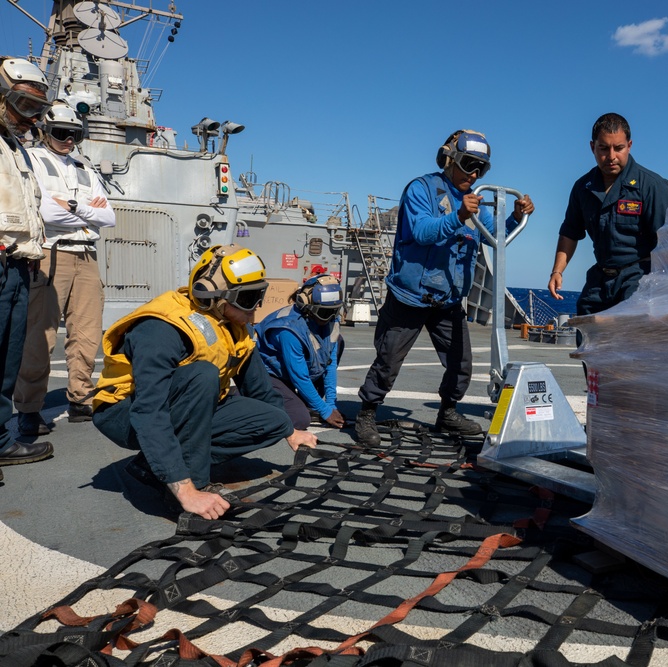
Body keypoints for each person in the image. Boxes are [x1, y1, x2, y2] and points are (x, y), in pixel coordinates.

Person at [91, 244, 318, 519]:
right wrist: (187, 490)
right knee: (202, 375)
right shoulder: (161, 328)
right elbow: (149, 412)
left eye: (259, 295)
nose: (256, 307)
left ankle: (150, 467)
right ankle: (186, 487)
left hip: (179, 404)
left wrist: (290, 431)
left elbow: (258, 388)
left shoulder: (235, 326)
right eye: (248, 299)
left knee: (274, 421)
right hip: (124, 412)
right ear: (212, 295)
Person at [355, 129, 534, 447]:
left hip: (448, 300)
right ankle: (367, 412)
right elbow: (423, 231)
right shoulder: (422, 189)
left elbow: (497, 238)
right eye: (468, 163)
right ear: (449, 159)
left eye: (482, 168)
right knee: (388, 360)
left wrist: (517, 217)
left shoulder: (476, 202)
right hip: (409, 297)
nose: (475, 173)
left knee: (461, 364)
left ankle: (448, 412)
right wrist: (459, 215)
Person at [15, 101, 116, 436]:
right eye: (61, 133)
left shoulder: (85, 168)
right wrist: (87, 210)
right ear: (45, 129)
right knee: (40, 336)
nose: (69, 140)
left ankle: (81, 397)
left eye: (75, 134)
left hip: (86, 256)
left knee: (87, 334)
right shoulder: (32, 159)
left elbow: (109, 217)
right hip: (50, 253)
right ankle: (29, 408)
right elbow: (43, 212)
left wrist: (70, 205)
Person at [548, 113, 668, 317]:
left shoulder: (651, 186)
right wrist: (557, 271)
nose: (612, 156)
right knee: (586, 328)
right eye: (604, 148)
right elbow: (570, 233)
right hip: (601, 279)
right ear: (592, 147)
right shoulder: (583, 188)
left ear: (630, 145)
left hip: (639, 278)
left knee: (629, 337)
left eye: (619, 148)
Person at [0, 57, 55, 476]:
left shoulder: (15, 148)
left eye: (37, 109)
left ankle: (1, 440)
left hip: (18, 266)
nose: (29, 117)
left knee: (7, 359)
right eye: (23, 105)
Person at [255, 274, 346, 431]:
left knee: (339, 341)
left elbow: (330, 364)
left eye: (335, 311)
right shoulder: (288, 329)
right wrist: (325, 411)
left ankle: (302, 400)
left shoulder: (330, 319)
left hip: (296, 371)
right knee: (300, 419)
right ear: (306, 305)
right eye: (325, 313)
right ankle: (248, 397)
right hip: (272, 374)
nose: (331, 318)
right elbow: (299, 376)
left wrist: (331, 404)